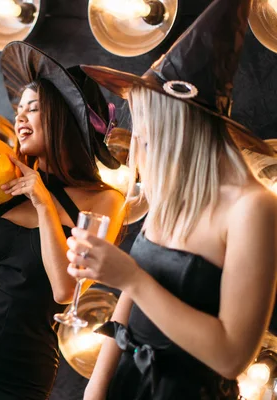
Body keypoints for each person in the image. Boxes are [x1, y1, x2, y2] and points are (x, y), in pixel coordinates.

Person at [67, 0, 277, 399]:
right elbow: (130, 300)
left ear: (177, 128)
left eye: (145, 132)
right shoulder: (171, 192)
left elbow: (231, 356)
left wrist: (128, 275)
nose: (138, 145)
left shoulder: (253, 207)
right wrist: (95, 388)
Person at [0, 41, 126, 399]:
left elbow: (64, 291)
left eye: (33, 109)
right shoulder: (1, 186)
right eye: (19, 110)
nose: (19, 118)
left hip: (23, 370)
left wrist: (45, 204)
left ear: (63, 118)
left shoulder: (105, 200)